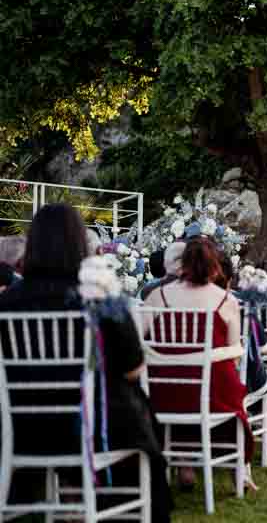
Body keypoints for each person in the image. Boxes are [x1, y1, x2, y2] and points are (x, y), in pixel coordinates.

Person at [0, 204, 172, 522]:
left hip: (25, 427)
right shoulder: (97, 295)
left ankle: (71, 493)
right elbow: (134, 368)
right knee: (137, 407)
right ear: (81, 242)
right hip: (94, 426)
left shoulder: (8, 301)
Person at [142, 237, 253, 489]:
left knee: (182, 396)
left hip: (164, 391)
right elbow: (235, 351)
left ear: (183, 265)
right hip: (212, 393)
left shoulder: (157, 296)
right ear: (215, 266)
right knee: (233, 392)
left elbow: (139, 341)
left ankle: (184, 463)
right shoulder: (226, 300)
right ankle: (238, 471)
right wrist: (208, 356)